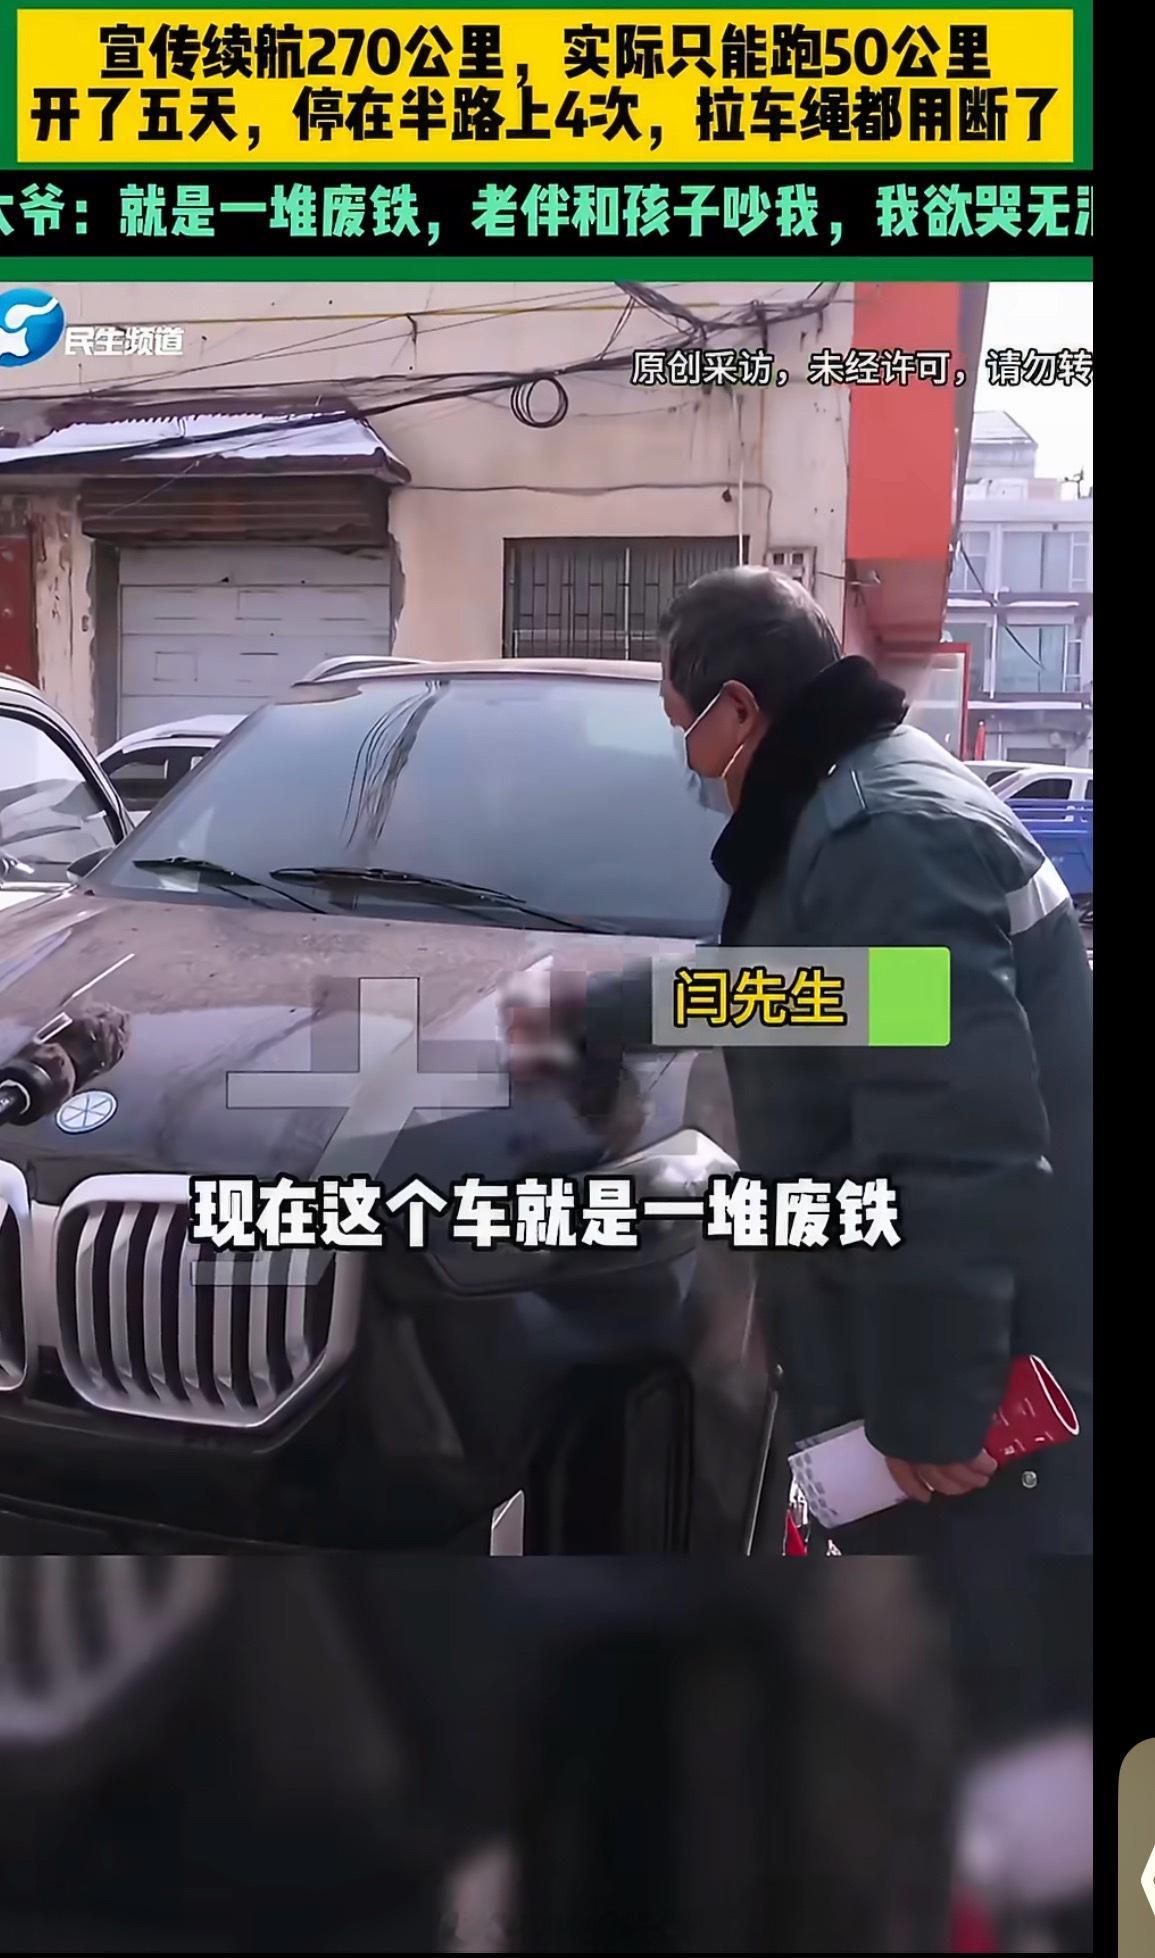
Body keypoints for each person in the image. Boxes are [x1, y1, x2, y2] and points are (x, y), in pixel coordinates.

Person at [503, 567, 1093, 1554]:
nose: (688, 758)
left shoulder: (886, 837)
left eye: (682, 723)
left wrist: (934, 1406)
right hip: (927, 1323)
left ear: (737, 710)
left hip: (993, 1380)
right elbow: (807, 987)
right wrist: (593, 1013)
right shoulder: (851, 799)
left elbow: (955, 1140)